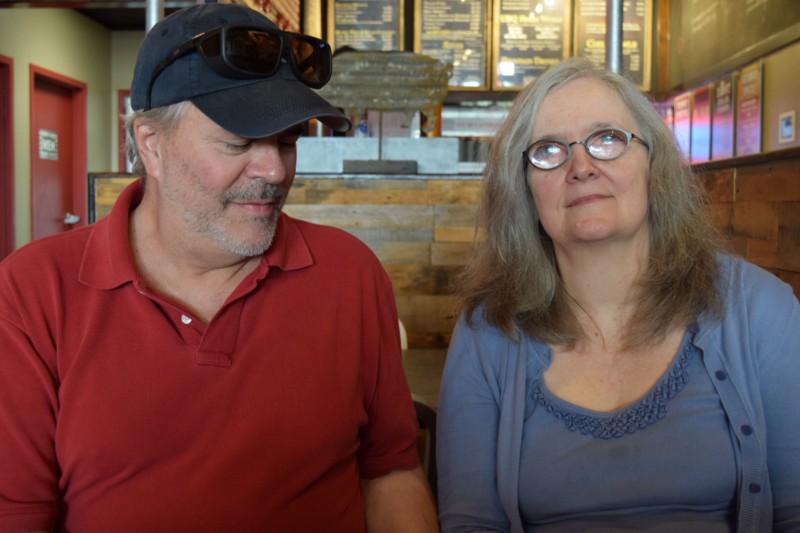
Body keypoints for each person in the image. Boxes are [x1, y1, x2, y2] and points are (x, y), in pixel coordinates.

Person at [0, 2, 438, 531]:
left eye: (287, 140)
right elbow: (19, 511)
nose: (274, 170)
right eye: (238, 142)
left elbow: (391, 471)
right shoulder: (32, 292)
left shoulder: (351, 274)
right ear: (151, 146)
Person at [436, 56, 800, 532]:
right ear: (524, 190)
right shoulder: (487, 331)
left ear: (655, 164)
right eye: (548, 150)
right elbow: (471, 522)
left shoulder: (759, 309)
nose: (581, 166)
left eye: (608, 139)